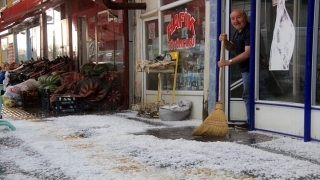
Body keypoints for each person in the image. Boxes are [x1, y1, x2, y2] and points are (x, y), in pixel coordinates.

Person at [218, 9, 250, 128]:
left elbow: (248, 53)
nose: (235, 21)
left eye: (238, 17)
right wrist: (225, 41)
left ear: (245, 17)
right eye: (233, 18)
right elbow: (231, 48)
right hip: (244, 68)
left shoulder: (250, 31)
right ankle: (250, 120)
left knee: (249, 95)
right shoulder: (238, 32)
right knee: (247, 95)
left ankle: (251, 122)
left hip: (253, 69)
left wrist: (229, 61)